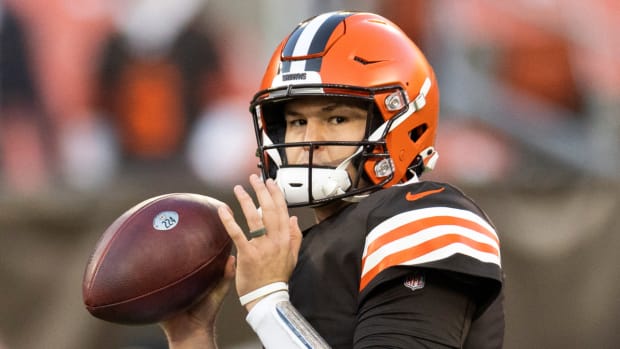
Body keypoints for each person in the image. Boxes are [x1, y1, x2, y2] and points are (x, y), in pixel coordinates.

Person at [160, 10, 504, 348]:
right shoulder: (304, 252)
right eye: (296, 122)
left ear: (403, 123)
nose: (310, 140)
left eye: (337, 119)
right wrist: (192, 337)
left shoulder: (425, 217)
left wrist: (267, 303)